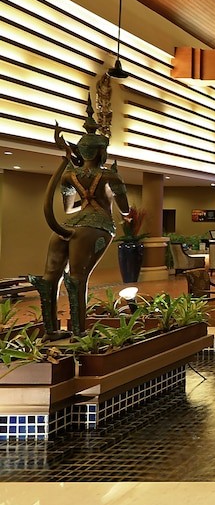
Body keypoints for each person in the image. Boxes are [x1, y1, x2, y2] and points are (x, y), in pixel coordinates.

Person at [31, 99, 130, 337]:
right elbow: (125, 209)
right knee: (77, 278)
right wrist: (111, 198)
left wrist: (84, 195)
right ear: (101, 152)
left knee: (50, 277)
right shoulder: (110, 177)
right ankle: (79, 332)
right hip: (97, 226)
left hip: (67, 228)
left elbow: (68, 209)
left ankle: (51, 330)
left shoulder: (69, 176)